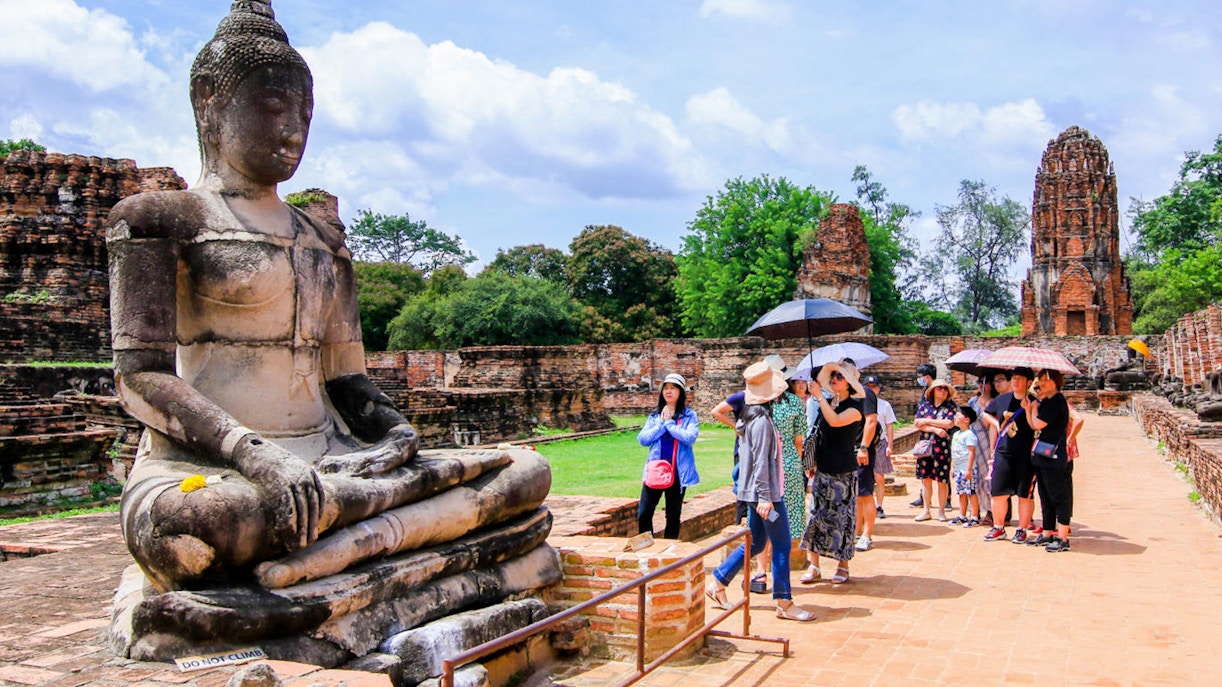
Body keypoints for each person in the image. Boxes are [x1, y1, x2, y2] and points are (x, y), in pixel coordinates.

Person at [107, 1, 436, 591]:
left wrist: (394, 430)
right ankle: (357, 540)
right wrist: (254, 454)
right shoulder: (158, 221)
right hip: (210, 469)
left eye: (305, 114)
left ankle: (328, 544)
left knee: (521, 473)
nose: (293, 131)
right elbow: (140, 377)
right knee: (199, 525)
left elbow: (345, 380)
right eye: (274, 107)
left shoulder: (324, 241)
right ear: (210, 99)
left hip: (331, 458)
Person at [706, 362, 814, 621]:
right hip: (764, 494)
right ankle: (784, 602)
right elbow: (761, 462)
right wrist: (766, 497)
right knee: (781, 544)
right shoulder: (762, 421)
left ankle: (718, 582)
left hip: (754, 493)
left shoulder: (748, 417)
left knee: (755, 543)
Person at [799, 361, 866, 585]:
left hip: (843, 471)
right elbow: (819, 432)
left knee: (842, 519)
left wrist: (818, 397)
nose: (835, 379)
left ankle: (842, 564)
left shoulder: (855, 408)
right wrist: (812, 460)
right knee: (816, 516)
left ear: (850, 383)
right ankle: (814, 565)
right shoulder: (827, 402)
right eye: (834, 376)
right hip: (823, 468)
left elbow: (835, 421)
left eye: (840, 376)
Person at [637, 373, 700, 539]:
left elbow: (689, 438)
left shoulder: (689, 416)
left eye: (673, 388)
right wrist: (661, 423)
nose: (668, 391)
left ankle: (669, 552)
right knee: (644, 513)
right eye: (665, 388)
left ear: (680, 392)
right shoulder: (655, 416)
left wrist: (670, 423)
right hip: (656, 471)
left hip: (678, 472)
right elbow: (643, 439)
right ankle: (646, 549)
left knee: (672, 516)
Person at [981, 367, 1039, 543]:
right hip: (1004, 451)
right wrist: (997, 424)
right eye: (1014, 378)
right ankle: (998, 527)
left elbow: (1035, 426)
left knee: (1025, 494)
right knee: (998, 492)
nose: (1015, 382)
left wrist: (1028, 410)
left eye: (1020, 379)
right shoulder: (1002, 399)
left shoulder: (1035, 401)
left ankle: (1022, 528)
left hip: (1026, 453)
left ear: (1029, 382)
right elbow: (985, 413)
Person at [1027, 369, 1073, 552]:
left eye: (1044, 381)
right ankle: (1047, 532)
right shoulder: (1046, 401)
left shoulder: (1057, 401)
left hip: (1054, 455)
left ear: (1055, 382)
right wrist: (1031, 408)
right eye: (1039, 381)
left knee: (1058, 495)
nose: (1040, 385)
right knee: (1045, 495)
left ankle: (1062, 537)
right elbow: (1033, 425)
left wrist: (1033, 409)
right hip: (1042, 454)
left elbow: (1038, 424)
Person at [842, 360, 879, 552]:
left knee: (864, 493)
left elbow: (871, 421)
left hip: (861, 448)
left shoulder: (866, 392)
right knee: (854, 494)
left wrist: (864, 447)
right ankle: (856, 530)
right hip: (846, 449)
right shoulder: (845, 395)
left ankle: (867, 534)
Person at [913, 380, 957, 522]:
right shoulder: (925, 406)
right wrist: (935, 429)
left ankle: (941, 510)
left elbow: (949, 423)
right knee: (926, 480)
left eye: (945, 389)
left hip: (942, 447)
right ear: (933, 391)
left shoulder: (950, 407)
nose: (942, 391)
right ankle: (926, 510)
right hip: (926, 446)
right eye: (939, 388)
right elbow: (917, 423)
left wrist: (926, 421)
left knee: (942, 480)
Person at [968, 371, 1002, 525]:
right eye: (980, 382)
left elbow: (991, 425)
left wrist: (984, 408)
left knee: (988, 476)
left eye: (985, 382)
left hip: (987, 439)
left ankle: (991, 510)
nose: (982, 385)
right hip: (973, 437)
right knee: (976, 476)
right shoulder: (972, 401)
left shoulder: (994, 402)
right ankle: (977, 508)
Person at [863, 375, 896, 519]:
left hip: (880, 442)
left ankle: (879, 505)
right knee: (864, 476)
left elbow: (889, 425)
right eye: (868, 387)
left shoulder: (884, 405)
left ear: (878, 388)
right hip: (864, 443)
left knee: (879, 476)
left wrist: (890, 445)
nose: (871, 389)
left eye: (873, 387)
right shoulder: (859, 403)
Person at [909, 363, 938, 508]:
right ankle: (924, 496)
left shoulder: (935, 392)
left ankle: (946, 498)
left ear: (927, 377)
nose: (919, 379)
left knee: (940, 468)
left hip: (936, 433)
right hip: (925, 432)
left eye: (920, 377)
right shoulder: (926, 391)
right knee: (924, 469)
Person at [949, 406, 981, 526]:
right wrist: (953, 467)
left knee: (971, 492)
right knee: (961, 492)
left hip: (967, 469)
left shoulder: (969, 435)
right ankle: (962, 515)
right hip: (958, 469)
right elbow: (954, 452)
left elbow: (971, 452)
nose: (955, 418)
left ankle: (974, 516)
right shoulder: (956, 434)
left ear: (967, 420)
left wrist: (969, 469)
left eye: (958, 416)